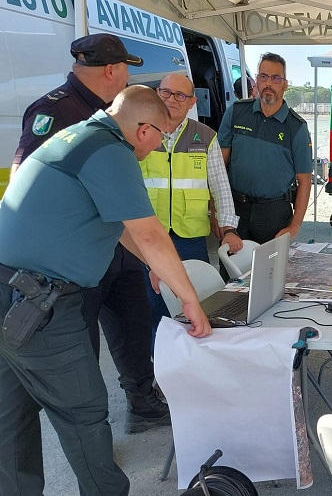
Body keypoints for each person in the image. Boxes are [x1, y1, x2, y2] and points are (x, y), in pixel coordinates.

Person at [0, 85, 211, 496]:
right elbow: (149, 233)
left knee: (12, 417)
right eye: (163, 136)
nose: (157, 146)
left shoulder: (79, 135)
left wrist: (156, 268)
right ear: (145, 130)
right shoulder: (110, 151)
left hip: (10, 288)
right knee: (83, 414)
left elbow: (122, 227)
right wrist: (189, 300)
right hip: (37, 304)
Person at [12, 33, 169, 432]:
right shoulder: (55, 110)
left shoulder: (116, 114)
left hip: (118, 244)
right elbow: (26, 182)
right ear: (112, 70)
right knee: (81, 346)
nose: (129, 80)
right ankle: (90, 428)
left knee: (133, 327)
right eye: (127, 72)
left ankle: (142, 402)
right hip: (77, 256)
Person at [142, 73, 243, 332]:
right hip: (149, 239)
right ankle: (158, 364)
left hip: (190, 238)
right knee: (154, 308)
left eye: (180, 95)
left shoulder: (205, 137)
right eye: (166, 92)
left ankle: (189, 364)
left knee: (194, 306)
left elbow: (220, 187)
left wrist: (229, 228)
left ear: (192, 102)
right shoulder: (141, 134)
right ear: (156, 94)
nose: (171, 100)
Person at [218, 52, 312, 243]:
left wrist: (294, 226)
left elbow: (304, 181)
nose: (268, 83)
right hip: (235, 210)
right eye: (263, 76)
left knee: (271, 273)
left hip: (274, 215)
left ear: (285, 84)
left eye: (276, 78)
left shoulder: (296, 127)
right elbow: (218, 169)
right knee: (232, 271)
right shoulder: (236, 113)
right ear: (256, 82)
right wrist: (217, 215)